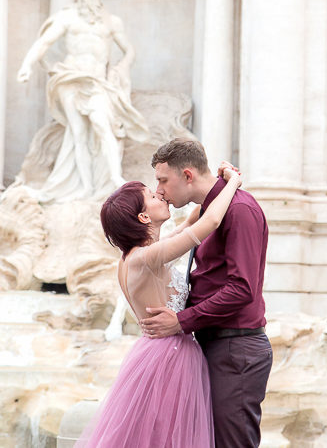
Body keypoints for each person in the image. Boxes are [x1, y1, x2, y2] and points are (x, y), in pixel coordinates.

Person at [76, 160, 242, 447]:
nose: (160, 194)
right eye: (152, 197)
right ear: (142, 217)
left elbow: (191, 223)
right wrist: (233, 183)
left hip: (157, 352)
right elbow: (209, 223)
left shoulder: (138, 256)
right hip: (170, 356)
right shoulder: (143, 258)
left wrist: (206, 188)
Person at [140, 138, 272, 448]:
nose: (159, 190)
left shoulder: (238, 209)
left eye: (162, 180)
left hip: (235, 349)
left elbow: (242, 289)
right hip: (217, 345)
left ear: (187, 175)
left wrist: (181, 321)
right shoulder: (213, 209)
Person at [16, 0, 148, 202]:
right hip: (70, 77)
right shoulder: (68, 18)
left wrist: (122, 67)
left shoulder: (111, 21)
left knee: (102, 124)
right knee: (77, 133)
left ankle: (115, 177)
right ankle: (87, 187)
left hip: (96, 81)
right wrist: (27, 64)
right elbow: (44, 42)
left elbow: (129, 50)